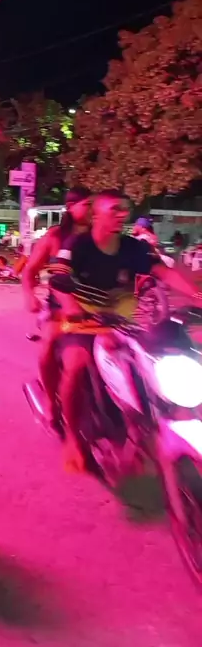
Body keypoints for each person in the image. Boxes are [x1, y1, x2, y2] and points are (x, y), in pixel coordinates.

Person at [49, 189, 202, 473]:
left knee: (163, 356)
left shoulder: (133, 247)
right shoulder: (77, 245)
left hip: (125, 321)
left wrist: (196, 296)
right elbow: (58, 278)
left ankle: (154, 419)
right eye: (115, 209)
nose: (122, 215)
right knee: (76, 363)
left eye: (125, 209)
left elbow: (164, 272)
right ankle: (72, 439)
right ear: (96, 214)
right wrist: (70, 306)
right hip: (85, 320)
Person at [22, 187, 92, 430]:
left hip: (97, 308)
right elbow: (29, 271)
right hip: (59, 308)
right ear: (71, 208)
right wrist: (29, 296)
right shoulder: (54, 237)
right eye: (87, 205)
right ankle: (52, 401)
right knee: (49, 345)